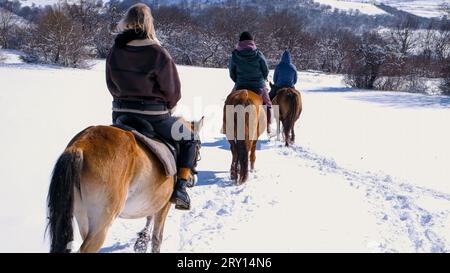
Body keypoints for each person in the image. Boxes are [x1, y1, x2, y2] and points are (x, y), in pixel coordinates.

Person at [105, 3, 195, 210]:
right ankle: (181, 188)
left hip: (121, 116)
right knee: (190, 138)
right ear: (149, 23)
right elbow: (173, 92)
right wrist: (166, 108)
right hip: (155, 118)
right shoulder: (158, 53)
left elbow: (110, 84)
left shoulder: (115, 51)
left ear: (126, 22)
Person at [227, 31, 272, 133]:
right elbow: (265, 69)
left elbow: (231, 71)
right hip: (258, 85)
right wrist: (263, 79)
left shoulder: (235, 55)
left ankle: (227, 126)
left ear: (240, 41)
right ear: (252, 41)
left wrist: (237, 80)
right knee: (268, 104)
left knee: (229, 102)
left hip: (241, 84)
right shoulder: (258, 54)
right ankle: (268, 125)